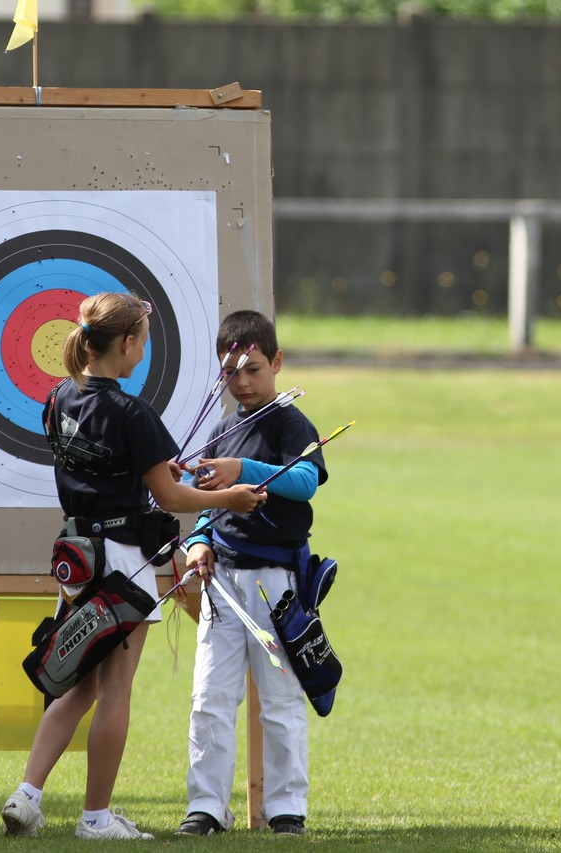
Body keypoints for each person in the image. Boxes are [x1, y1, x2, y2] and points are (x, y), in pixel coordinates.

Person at [0, 292, 267, 841]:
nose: (142, 353)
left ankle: (27, 795)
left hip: (77, 559)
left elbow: (111, 470)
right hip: (123, 563)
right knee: (114, 689)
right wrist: (228, 499)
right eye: (141, 342)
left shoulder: (58, 398)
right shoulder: (131, 411)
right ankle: (96, 818)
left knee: (78, 685)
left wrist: (150, 471)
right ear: (124, 343)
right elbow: (170, 498)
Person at [174, 309, 327, 837]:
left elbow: (305, 480)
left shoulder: (291, 423)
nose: (242, 382)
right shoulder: (221, 429)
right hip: (221, 585)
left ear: (277, 363)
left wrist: (244, 471)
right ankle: (207, 808)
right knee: (209, 698)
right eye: (231, 372)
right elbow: (203, 505)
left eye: (254, 369)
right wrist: (196, 543)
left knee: (281, 700)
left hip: (276, 583)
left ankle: (286, 810)